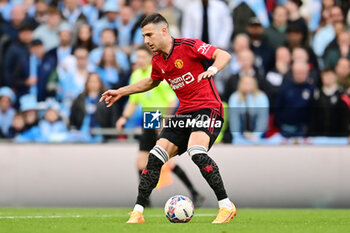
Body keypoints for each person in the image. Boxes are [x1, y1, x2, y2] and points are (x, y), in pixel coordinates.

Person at [100, 13, 236, 224]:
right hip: (184, 113)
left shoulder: (189, 45)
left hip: (208, 108)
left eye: (149, 35)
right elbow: (151, 82)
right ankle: (138, 212)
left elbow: (223, 55)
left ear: (164, 31)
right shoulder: (158, 61)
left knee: (196, 151)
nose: (146, 41)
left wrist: (212, 69)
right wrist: (121, 92)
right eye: (144, 36)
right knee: (154, 156)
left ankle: (226, 206)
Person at [116, 45, 205, 207]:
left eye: (143, 57)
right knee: (140, 162)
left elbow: (172, 100)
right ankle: (146, 200)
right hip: (149, 118)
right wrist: (124, 117)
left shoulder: (156, 75)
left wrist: (165, 119)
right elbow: (133, 101)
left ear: (150, 58)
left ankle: (194, 192)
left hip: (159, 117)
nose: (139, 60)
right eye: (138, 57)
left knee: (167, 162)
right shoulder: (136, 75)